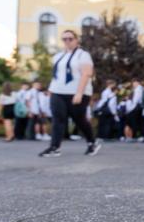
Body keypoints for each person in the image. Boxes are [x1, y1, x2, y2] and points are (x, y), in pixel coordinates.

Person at [39, 30, 101, 158]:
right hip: (58, 91)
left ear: (76, 40)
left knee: (79, 120)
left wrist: (79, 93)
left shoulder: (83, 55)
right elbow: (56, 75)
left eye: (70, 38)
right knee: (58, 119)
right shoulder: (58, 56)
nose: (67, 41)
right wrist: (51, 91)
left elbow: (86, 74)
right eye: (64, 39)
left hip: (77, 92)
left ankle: (92, 142)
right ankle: (54, 147)